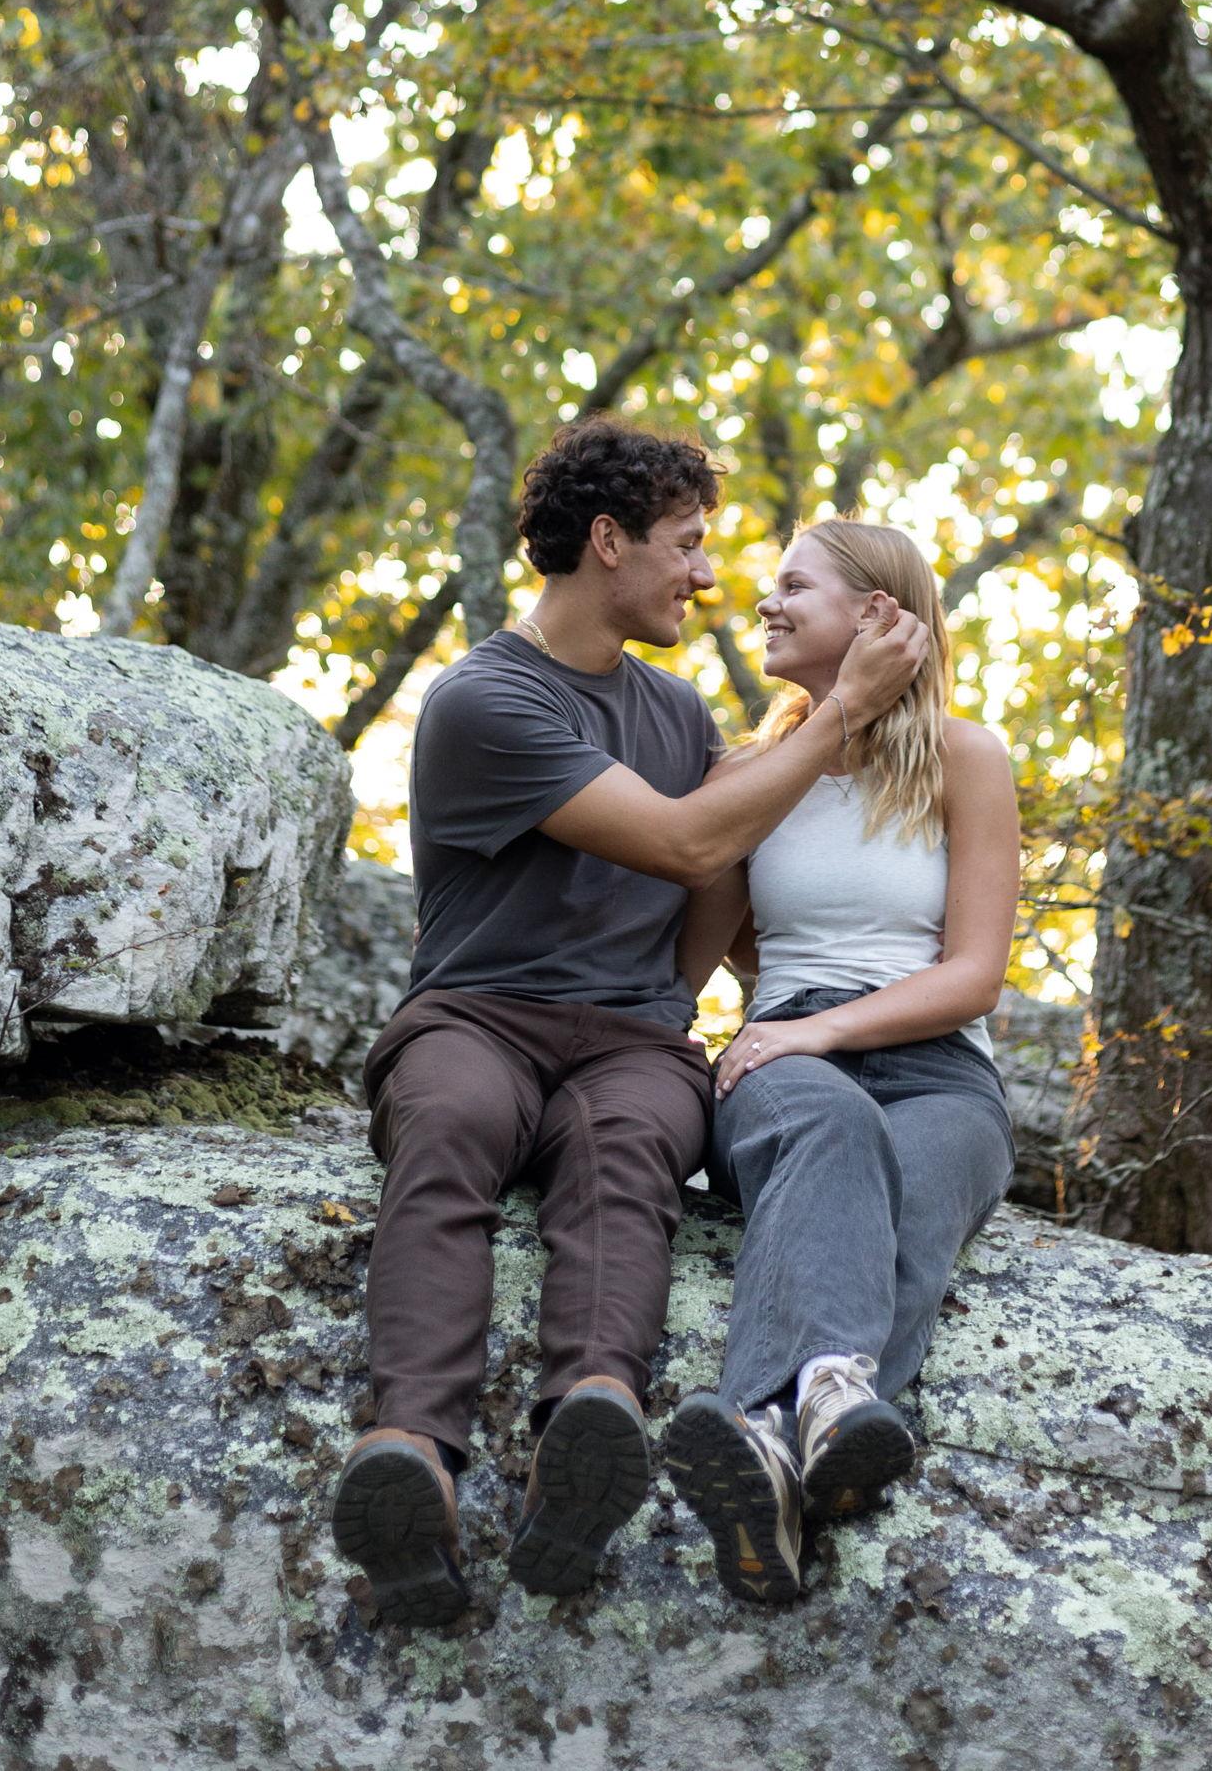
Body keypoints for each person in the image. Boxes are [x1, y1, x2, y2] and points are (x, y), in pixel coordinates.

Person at [328, 423, 929, 1627]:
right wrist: (835, 714)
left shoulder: (673, 708)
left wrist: (740, 1016)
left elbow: (719, 882)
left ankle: (584, 1432)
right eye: (687, 545)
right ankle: (413, 1458)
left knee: (628, 1157)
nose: (706, 576)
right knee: (446, 1129)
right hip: (478, 1017)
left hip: (630, 1038)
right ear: (607, 544)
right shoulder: (482, 699)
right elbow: (687, 842)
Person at [665, 518, 1020, 1602]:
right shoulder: (751, 771)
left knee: (911, 1186)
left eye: (792, 587)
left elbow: (972, 976)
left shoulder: (967, 758)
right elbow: (687, 958)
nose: (762, 603)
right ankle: (825, 1407)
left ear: (876, 615)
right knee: (830, 1126)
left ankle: (769, 1454)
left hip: (935, 1065)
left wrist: (816, 1029)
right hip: (786, 1066)